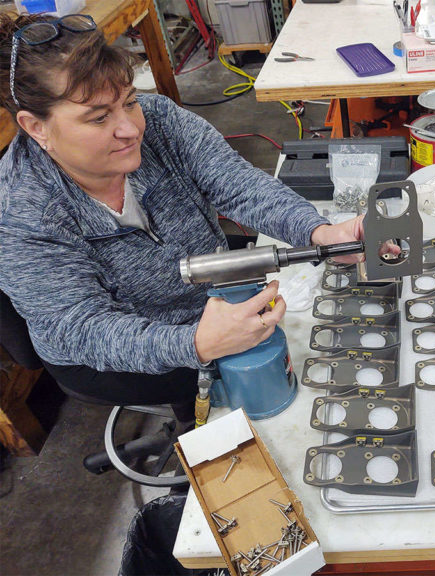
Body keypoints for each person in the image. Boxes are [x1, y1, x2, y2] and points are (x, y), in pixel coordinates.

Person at [0, 13, 366, 420]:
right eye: (99, 118)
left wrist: (318, 231)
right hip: (116, 353)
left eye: (129, 102)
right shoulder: (21, 210)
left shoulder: (157, 120)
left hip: (209, 292)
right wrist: (196, 344)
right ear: (36, 127)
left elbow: (238, 183)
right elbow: (80, 328)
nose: (130, 129)